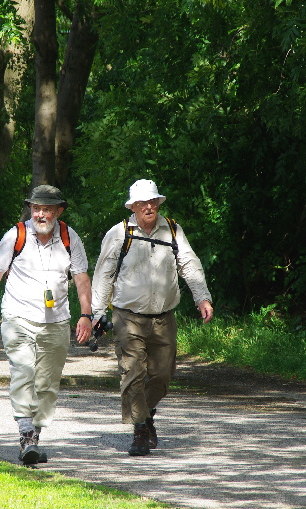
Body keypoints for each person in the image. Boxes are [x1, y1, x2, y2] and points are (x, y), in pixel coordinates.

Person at [91, 179, 213, 456]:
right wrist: (97, 313)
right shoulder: (119, 234)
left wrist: (202, 297)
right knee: (133, 374)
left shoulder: (172, 229)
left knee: (161, 375)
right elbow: (103, 276)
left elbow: (189, 264)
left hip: (164, 317)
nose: (149, 207)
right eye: (143, 203)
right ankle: (140, 432)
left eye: (153, 201)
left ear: (158, 202)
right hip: (127, 316)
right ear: (132, 206)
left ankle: (145, 415)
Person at [0, 185, 93, 465]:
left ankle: (34, 438)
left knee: (47, 383)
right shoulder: (15, 235)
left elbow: (81, 277)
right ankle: (26, 435)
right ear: (30, 209)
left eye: (48, 209)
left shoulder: (69, 237)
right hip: (18, 316)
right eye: (37, 208)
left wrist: (86, 315)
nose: (41, 214)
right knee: (23, 370)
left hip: (57, 321)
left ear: (59, 211)